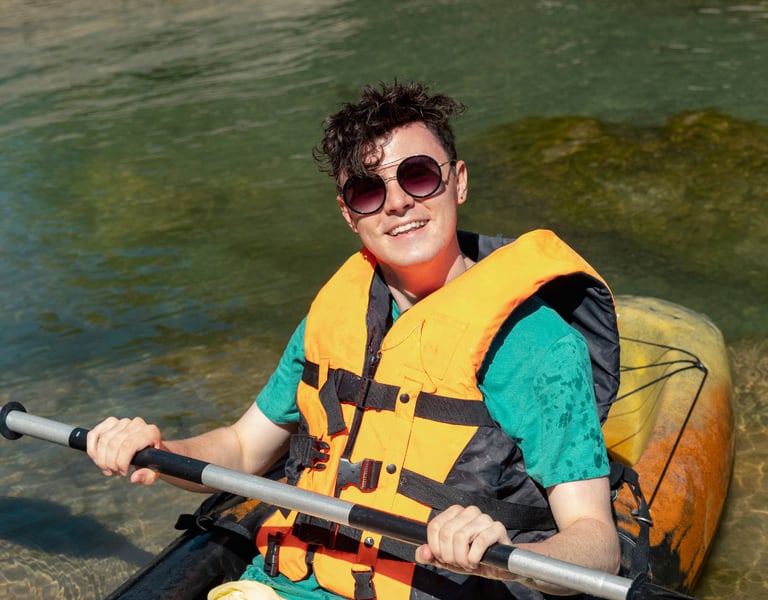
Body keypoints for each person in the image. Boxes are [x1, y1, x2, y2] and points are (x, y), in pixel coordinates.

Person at [87, 81, 621, 600]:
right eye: (368, 190)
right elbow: (244, 447)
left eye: (417, 176)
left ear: (457, 181)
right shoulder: (334, 316)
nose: (397, 203)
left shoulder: (538, 347)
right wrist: (160, 452)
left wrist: (501, 553)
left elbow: (597, 544)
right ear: (349, 213)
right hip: (283, 586)